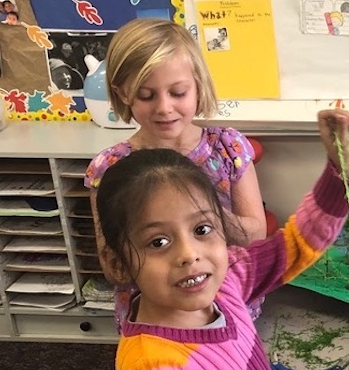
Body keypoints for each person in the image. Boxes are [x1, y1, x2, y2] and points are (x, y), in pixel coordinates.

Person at [96, 124, 349, 370]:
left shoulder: (226, 281)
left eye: (202, 229)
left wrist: (342, 171)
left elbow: (296, 244)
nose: (189, 254)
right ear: (118, 262)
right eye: (158, 242)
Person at [84, 18, 269, 320]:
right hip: (157, 319)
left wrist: (201, 212)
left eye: (178, 93)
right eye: (146, 95)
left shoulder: (228, 148)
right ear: (122, 94)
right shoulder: (109, 169)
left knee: (232, 366)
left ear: (198, 85)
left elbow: (255, 235)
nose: (164, 108)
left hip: (227, 306)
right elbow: (113, 266)